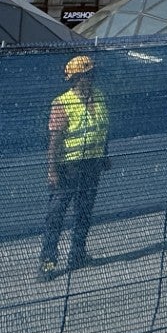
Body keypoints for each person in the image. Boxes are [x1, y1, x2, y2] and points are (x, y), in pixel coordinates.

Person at [40, 53, 110, 276]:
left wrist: (104, 155)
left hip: (91, 165)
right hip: (67, 168)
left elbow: (101, 128)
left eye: (92, 74)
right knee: (56, 215)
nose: (91, 78)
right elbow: (54, 141)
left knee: (84, 212)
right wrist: (52, 170)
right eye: (87, 75)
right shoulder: (62, 103)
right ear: (76, 78)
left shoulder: (98, 96)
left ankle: (78, 255)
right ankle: (48, 262)